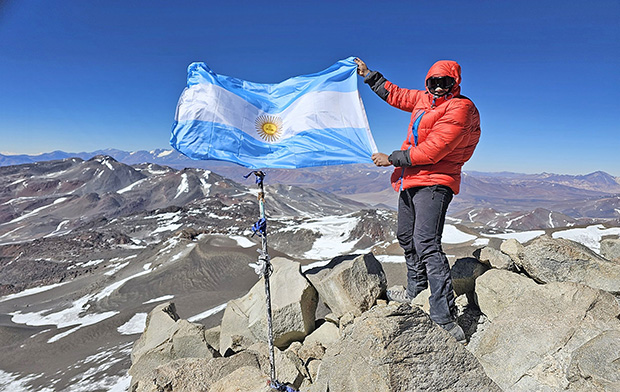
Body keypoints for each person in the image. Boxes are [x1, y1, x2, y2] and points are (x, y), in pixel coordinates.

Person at [355, 57, 480, 343]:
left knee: (426, 243)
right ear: (428, 82)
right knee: (406, 237)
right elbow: (397, 95)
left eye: (444, 82)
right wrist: (369, 76)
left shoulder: (460, 109)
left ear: (455, 84)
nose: (438, 87)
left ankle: (444, 316)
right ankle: (416, 291)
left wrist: (392, 159)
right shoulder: (425, 100)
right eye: (433, 82)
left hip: (436, 182)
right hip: (411, 178)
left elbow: (431, 152)